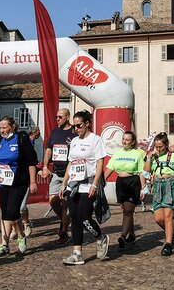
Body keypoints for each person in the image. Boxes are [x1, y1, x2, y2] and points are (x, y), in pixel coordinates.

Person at [59, 110, 109, 265]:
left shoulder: (96, 140)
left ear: (87, 124)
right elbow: (71, 164)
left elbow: (100, 163)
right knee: (74, 219)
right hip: (74, 185)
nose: (76, 129)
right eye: (74, 126)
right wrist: (64, 183)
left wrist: (95, 183)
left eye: (79, 126)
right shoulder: (74, 141)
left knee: (85, 218)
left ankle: (100, 238)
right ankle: (77, 254)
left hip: (88, 184)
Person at [0, 116, 38, 258]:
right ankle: (4, 245)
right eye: (0, 128)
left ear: (13, 127)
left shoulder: (21, 138)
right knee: (4, 214)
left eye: (4, 127)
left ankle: (21, 236)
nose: (2, 130)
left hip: (18, 182)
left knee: (13, 212)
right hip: (2, 182)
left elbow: (31, 161)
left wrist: (33, 181)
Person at [143, 132, 174, 256]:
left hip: (170, 184)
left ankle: (168, 244)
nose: (158, 149)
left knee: (168, 216)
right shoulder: (153, 157)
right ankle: (171, 231)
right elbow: (146, 172)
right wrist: (149, 158)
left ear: (166, 145)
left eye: (160, 147)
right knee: (158, 218)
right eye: (156, 147)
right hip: (158, 185)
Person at [40, 109, 77, 244]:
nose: (57, 119)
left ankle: (64, 232)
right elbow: (49, 150)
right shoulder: (55, 132)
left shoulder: (74, 132)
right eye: (56, 117)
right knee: (53, 200)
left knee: (66, 203)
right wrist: (45, 167)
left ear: (67, 117)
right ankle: (64, 220)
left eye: (60, 117)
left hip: (70, 173)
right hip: (56, 172)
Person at [104, 131, 146, 248]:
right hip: (121, 183)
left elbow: (141, 172)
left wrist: (143, 188)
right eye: (123, 139)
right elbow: (109, 169)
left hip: (133, 182)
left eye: (127, 140)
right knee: (126, 210)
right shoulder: (117, 154)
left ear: (132, 142)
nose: (124, 141)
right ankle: (131, 234)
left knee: (128, 209)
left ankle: (123, 236)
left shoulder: (137, 154)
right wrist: (99, 183)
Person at [9, 127, 40, 240]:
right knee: (12, 207)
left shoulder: (27, 142)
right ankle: (14, 229)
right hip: (12, 180)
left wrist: (33, 179)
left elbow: (32, 161)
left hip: (24, 179)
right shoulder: (16, 142)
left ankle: (26, 223)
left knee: (21, 207)